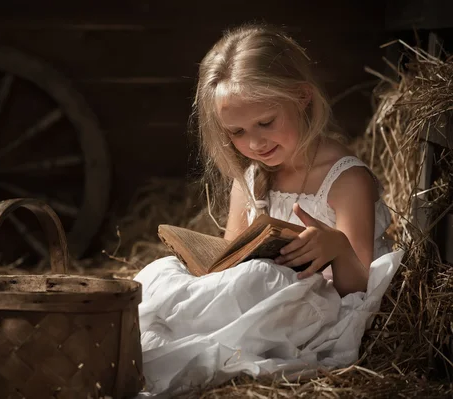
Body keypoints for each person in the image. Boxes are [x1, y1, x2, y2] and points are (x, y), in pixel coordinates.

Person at [133, 25, 404, 397]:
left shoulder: (346, 179)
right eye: (237, 132)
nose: (255, 142)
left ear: (303, 98)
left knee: (262, 276)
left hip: (311, 308)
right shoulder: (252, 177)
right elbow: (230, 262)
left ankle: (183, 340)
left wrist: (336, 247)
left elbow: (359, 292)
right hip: (255, 296)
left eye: (265, 123)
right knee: (159, 271)